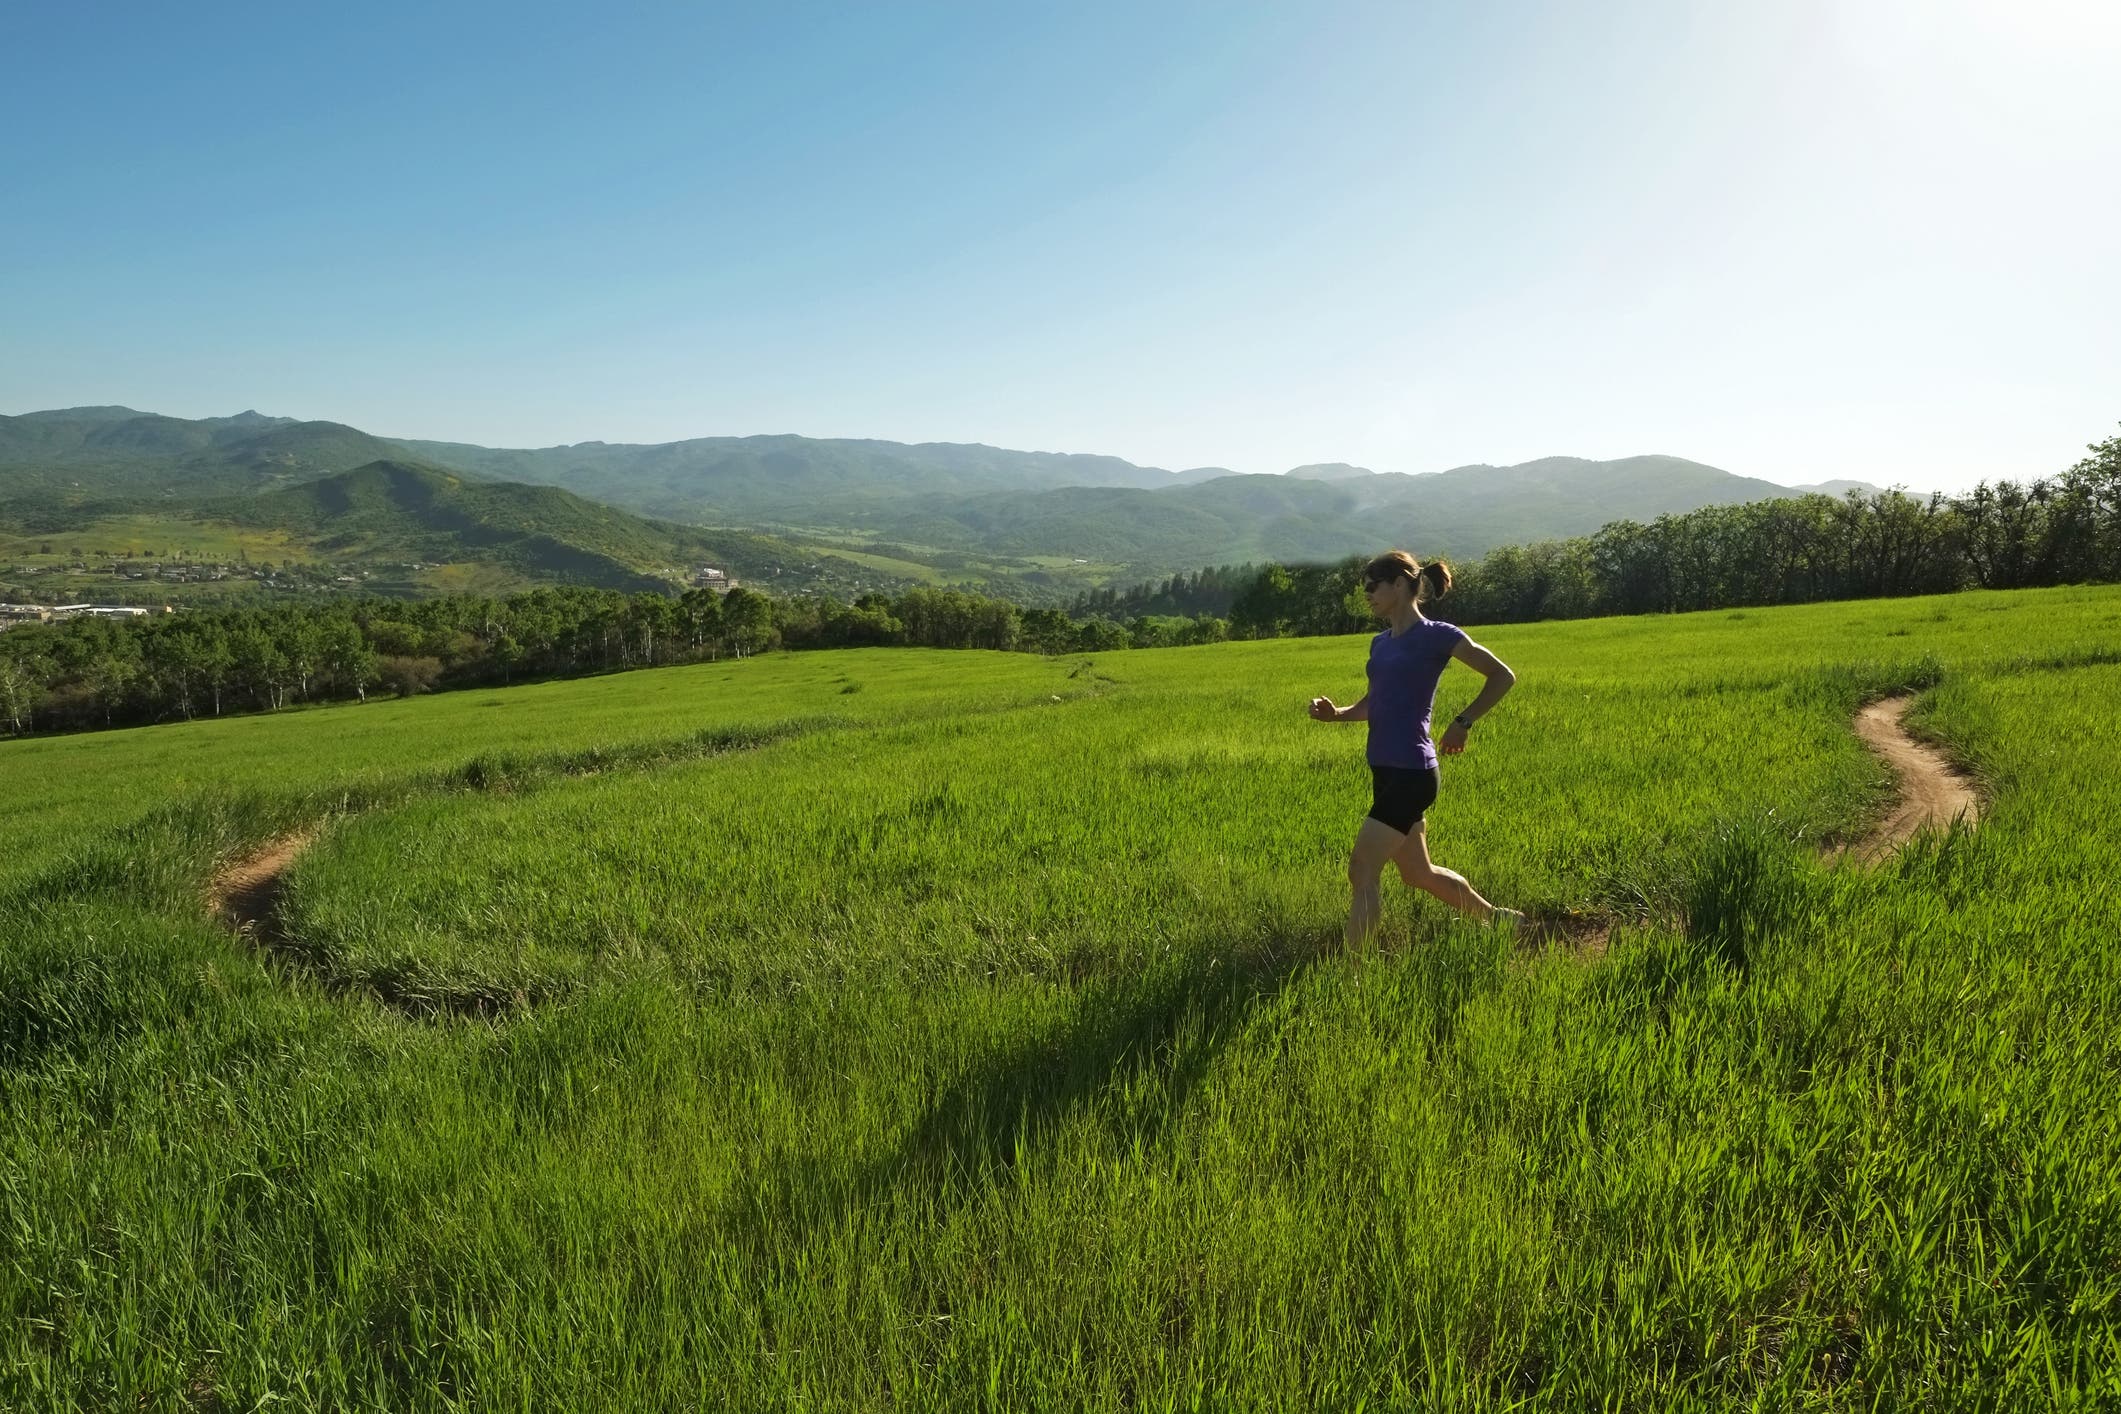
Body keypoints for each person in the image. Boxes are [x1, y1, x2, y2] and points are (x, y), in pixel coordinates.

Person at [1308, 550, 1522, 947]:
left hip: (1412, 772)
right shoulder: (1380, 643)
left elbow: (1502, 675)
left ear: (1402, 584)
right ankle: (1499, 920)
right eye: (1364, 588)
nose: (1367, 594)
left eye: (1374, 586)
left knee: (1362, 869)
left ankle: (1353, 973)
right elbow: (1374, 704)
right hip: (1385, 770)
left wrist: (1463, 722)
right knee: (1418, 874)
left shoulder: (1439, 635)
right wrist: (1335, 714)